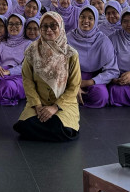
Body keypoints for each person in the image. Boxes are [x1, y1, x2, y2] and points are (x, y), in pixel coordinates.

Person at [13, 12, 81, 142]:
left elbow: (74, 86)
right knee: (24, 125)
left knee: (63, 128)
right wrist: (38, 106)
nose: (49, 30)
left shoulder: (71, 54)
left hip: (63, 104)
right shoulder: (32, 51)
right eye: (44, 26)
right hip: (38, 102)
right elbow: (27, 81)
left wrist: (54, 107)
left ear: (60, 27)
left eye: (53, 26)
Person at [67, 6, 118, 108]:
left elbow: (112, 70)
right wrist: (73, 83)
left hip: (94, 78)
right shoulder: (68, 38)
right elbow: (60, 65)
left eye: (90, 18)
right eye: (82, 17)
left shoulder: (103, 40)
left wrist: (90, 82)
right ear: (78, 18)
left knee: (100, 95)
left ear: (95, 21)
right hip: (71, 77)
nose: (86, 21)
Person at [0, 14, 31, 106]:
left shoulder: (29, 44)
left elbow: (27, 66)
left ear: (23, 26)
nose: (13, 27)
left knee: (7, 85)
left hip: (20, 75)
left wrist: (9, 72)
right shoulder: (2, 43)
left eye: (17, 24)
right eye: (10, 24)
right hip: (1, 72)